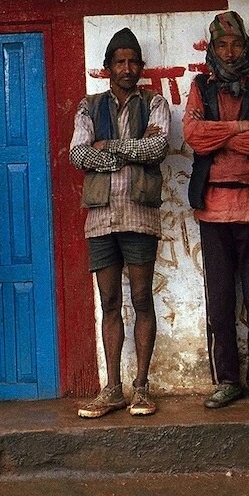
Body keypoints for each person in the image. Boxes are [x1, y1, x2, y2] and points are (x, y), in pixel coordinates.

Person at [69, 28, 171, 418]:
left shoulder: (155, 102)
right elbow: (78, 154)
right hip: (101, 218)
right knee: (110, 303)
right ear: (107, 67)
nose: (127, 68)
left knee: (142, 299)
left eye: (133, 62)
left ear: (141, 67)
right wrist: (132, 153)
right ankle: (112, 389)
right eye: (120, 62)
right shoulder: (88, 106)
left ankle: (141, 388)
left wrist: (108, 148)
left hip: (140, 215)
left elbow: (158, 147)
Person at [183, 11, 249, 410]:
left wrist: (221, 137)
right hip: (213, 208)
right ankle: (227, 380)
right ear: (212, 49)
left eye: (236, 44)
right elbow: (193, 136)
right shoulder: (199, 87)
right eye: (221, 45)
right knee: (219, 301)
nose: (229, 51)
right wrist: (242, 128)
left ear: (246, 46)